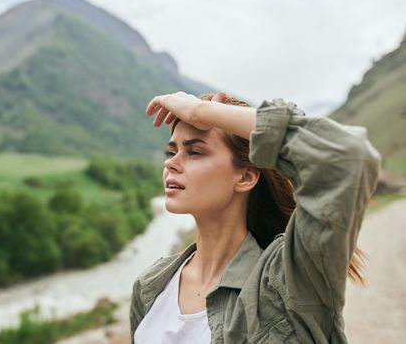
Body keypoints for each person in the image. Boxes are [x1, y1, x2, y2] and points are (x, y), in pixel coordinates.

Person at [130, 91, 381, 343]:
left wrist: (200, 111)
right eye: (171, 152)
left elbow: (348, 156)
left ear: (246, 177)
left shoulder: (288, 279)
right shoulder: (150, 286)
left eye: (195, 152)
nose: (171, 164)